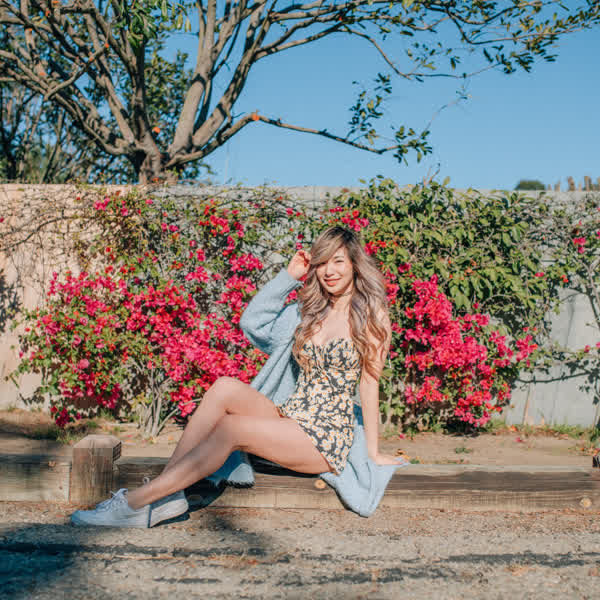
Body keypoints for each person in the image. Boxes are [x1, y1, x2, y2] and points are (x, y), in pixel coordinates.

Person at [71, 225, 404, 527]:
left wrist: (373, 452)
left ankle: (135, 503)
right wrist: (288, 277)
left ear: (354, 264)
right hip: (290, 416)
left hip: (325, 436)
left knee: (232, 427)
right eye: (322, 263)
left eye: (338, 261)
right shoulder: (308, 312)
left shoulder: (371, 316)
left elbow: (369, 383)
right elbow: (252, 323)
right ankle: (166, 496)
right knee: (225, 387)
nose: (329, 271)